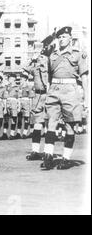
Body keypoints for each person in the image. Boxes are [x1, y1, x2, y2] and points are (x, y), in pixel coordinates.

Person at [41, 27, 88, 170]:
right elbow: (48, 75)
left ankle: (66, 158)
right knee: (51, 123)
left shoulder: (78, 54)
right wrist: (48, 90)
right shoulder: (52, 54)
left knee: (69, 125)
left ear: (70, 38)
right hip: (54, 90)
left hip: (70, 91)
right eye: (60, 37)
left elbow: (84, 77)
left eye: (64, 36)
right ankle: (48, 156)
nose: (62, 39)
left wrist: (87, 98)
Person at [23, 50, 49, 160]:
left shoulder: (51, 70)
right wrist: (31, 59)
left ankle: (48, 153)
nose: (40, 59)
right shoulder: (35, 69)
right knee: (37, 125)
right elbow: (24, 67)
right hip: (38, 97)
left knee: (49, 125)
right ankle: (35, 151)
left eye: (42, 57)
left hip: (49, 96)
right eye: (39, 57)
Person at [5, 74, 21, 140]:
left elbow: (19, 98)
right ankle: (5, 133)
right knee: (6, 118)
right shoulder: (6, 86)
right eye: (9, 79)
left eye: (12, 79)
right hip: (7, 101)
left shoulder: (17, 87)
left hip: (14, 102)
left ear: (14, 79)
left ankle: (12, 134)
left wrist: (19, 106)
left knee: (14, 118)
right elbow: (5, 96)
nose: (10, 80)